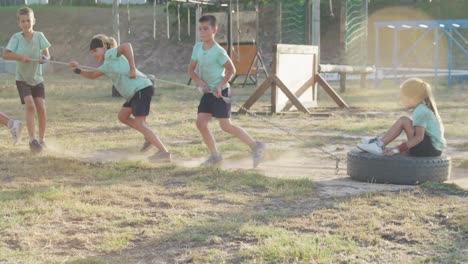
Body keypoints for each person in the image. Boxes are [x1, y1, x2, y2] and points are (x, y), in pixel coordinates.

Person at [69, 34, 171, 162]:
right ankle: (148, 137)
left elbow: (127, 46)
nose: (94, 54)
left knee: (140, 123)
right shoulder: (106, 65)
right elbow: (93, 75)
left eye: (95, 50)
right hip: (134, 93)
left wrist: (132, 68)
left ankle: (164, 153)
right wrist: (77, 70)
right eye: (92, 52)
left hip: (141, 89)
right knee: (123, 116)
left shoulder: (110, 54)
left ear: (104, 47)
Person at [188, 15, 265, 168]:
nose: (202, 32)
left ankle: (256, 145)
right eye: (200, 29)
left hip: (220, 92)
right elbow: (191, 70)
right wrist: (201, 83)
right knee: (201, 123)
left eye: (206, 29)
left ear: (214, 30)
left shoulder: (218, 51)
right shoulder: (197, 47)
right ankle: (215, 155)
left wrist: (219, 86)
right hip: (207, 93)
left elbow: (232, 70)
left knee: (226, 126)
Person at [3, 7, 51, 153]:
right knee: (30, 106)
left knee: (41, 109)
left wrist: (44, 59)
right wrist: (20, 57)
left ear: (34, 21)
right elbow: (5, 55)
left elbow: (47, 54)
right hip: (22, 79)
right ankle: (32, 140)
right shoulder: (16, 38)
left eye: (28, 20)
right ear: (19, 23)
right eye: (23, 21)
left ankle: (42, 139)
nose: (26, 23)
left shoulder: (40, 36)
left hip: (37, 79)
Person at [357, 78, 446, 156]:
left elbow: (419, 137)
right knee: (406, 123)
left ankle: (379, 145)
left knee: (404, 121)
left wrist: (398, 149)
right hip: (433, 149)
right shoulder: (422, 108)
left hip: (430, 150)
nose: (402, 100)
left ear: (413, 97)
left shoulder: (421, 111)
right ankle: (378, 143)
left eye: (403, 97)